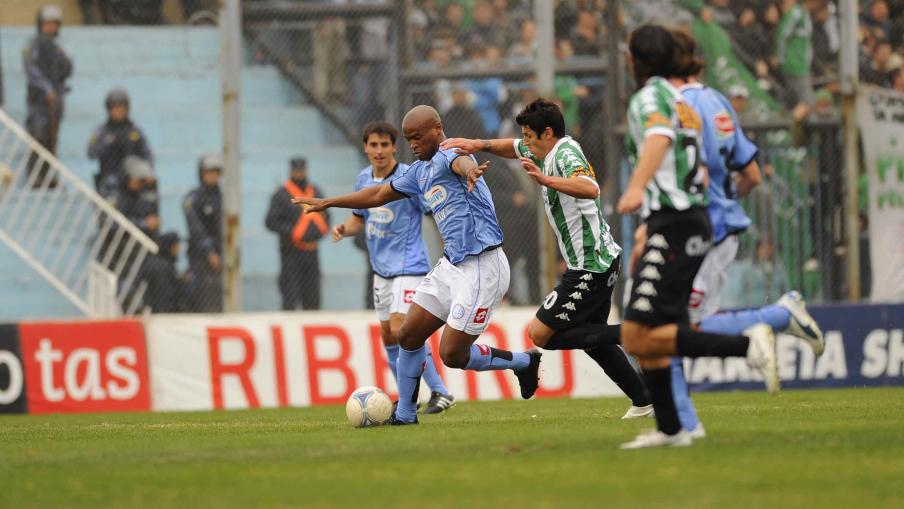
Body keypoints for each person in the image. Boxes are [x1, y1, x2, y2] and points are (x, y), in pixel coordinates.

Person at [292, 105, 541, 426]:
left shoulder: (452, 153)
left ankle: (523, 362)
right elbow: (379, 194)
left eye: (418, 137)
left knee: (452, 355)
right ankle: (407, 415)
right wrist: (329, 202)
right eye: (409, 139)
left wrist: (470, 172)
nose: (413, 144)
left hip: (483, 266)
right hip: (452, 265)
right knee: (408, 335)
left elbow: (462, 161)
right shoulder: (417, 171)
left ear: (437, 129)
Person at [655, 29, 825, 439]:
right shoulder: (718, 101)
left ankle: (772, 320)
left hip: (698, 229)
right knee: (678, 326)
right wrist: (725, 199)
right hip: (723, 225)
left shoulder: (677, 105)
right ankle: (682, 423)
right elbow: (750, 173)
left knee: (668, 328)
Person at [614, 25, 777, 450]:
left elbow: (658, 138)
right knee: (650, 332)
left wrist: (636, 187)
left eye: (628, 53)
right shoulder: (682, 101)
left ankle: (748, 345)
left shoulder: (652, 96)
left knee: (637, 333)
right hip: (684, 217)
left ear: (638, 57)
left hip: (677, 221)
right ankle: (672, 430)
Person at [440, 99, 654, 419]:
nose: (524, 142)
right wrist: (480, 144)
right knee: (593, 338)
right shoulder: (543, 148)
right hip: (596, 260)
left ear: (548, 133)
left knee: (541, 334)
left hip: (590, 265)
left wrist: (547, 181)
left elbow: (589, 187)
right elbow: (512, 147)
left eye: (529, 136)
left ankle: (639, 332)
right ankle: (644, 400)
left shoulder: (566, 154)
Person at [332, 122, 455, 414]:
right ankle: (407, 395)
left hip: (409, 266)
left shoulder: (407, 178)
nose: (379, 151)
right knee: (388, 336)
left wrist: (449, 242)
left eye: (384, 145)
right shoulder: (363, 179)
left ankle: (440, 392)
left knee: (403, 330)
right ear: (365, 148)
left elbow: (433, 211)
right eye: (373, 145)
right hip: (381, 271)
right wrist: (343, 229)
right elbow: (358, 220)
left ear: (393, 147)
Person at [265, 158, 329, 311]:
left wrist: (317, 234)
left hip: (312, 252)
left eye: (302, 170)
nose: (299, 173)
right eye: (296, 170)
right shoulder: (282, 194)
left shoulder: (316, 192)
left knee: (313, 297)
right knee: (290, 297)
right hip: (290, 253)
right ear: (291, 171)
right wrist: (292, 232)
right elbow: (270, 221)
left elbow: (326, 217)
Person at [24, 4, 72, 188]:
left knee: (52, 139)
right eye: (47, 24)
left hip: (55, 103)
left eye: (54, 24)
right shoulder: (33, 44)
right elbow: (31, 69)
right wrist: (46, 89)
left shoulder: (57, 47)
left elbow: (65, 71)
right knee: (38, 137)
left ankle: (50, 176)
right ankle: (36, 176)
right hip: (38, 103)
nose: (51, 28)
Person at [87, 88, 153, 196]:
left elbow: (147, 155)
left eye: (122, 108)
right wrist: (107, 143)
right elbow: (91, 154)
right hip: (110, 180)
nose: (119, 112)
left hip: (133, 181)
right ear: (109, 109)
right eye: (115, 108)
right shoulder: (101, 132)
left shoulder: (134, 132)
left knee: (150, 190)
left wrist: (145, 174)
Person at [184, 154, 223, 312]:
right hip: (200, 256)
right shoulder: (193, 198)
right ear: (202, 174)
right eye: (209, 172)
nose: (214, 176)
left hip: (222, 253)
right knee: (203, 297)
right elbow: (196, 229)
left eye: (216, 172)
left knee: (220, 296)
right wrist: (209, 252)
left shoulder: (222, 197)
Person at [141, 232, 188, 313]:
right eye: (176, 245)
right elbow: (165, 295)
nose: (179, 248)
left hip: (153, 310)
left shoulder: (158, 261)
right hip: (163, 313)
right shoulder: (163, 266)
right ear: (170, 247)